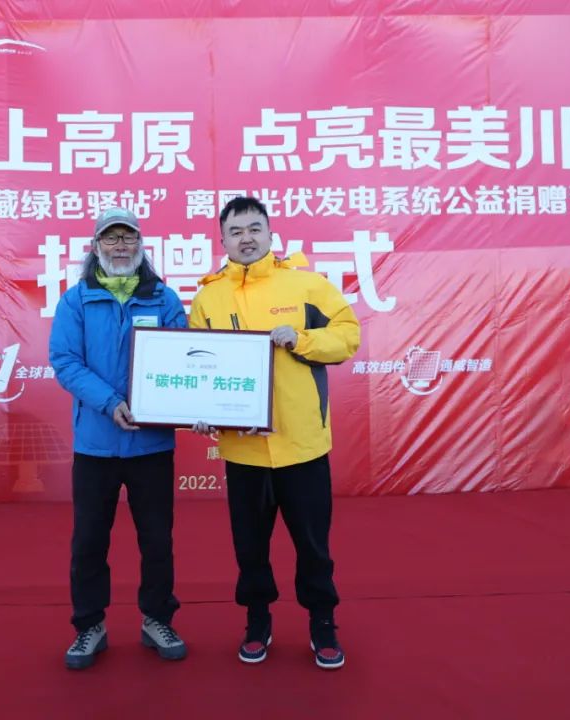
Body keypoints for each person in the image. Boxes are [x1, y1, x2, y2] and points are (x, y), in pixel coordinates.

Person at [190, 196, 359, 670]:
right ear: (222, 240)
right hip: (243, 450)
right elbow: (198, 367)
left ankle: (322, 622)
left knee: (313, 545)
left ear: (270, 233)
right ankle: (257, 621)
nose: (246, 238)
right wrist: (200, 411)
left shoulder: (307, 285)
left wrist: (301, 339)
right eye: (235, 231)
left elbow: (348, 336)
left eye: (254, 228)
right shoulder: (208, 298)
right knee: (250, 548)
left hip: (302, 445)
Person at [49, 206, 188, 670]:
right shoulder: (76, 301)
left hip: (152, 445)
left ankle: (157, 619)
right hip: (96, 445)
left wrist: (194, 403)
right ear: (96, 247)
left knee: (157, 540)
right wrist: (110, 403)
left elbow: (184, 360)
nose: (121, 246)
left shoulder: (164, 299)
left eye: (128, 237)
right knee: (89, 541)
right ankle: (89, 625)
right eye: (111, 238)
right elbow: (65, 361)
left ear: (141, 245)